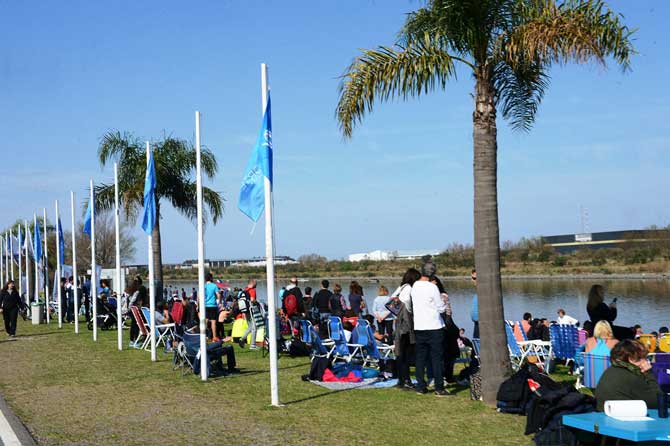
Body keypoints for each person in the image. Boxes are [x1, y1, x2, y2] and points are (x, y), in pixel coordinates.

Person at [412, 262, 450, 397]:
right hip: (434, 326)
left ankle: (421, 386)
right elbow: (440, 308)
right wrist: (444, 301)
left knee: (421, 357)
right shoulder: (432, 287)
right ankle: (439, 387)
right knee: (437, 358)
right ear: (432, 274)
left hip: (419, 326)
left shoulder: (415, 286)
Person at [595, 339, 661, 411]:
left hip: (604, 415)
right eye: (644, 357)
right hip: (625, 418)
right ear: (632, 359)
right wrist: (649, 373)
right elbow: (658, 401)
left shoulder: (610, 370)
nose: (647, 361)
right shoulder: (632, 377)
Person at [393, 267, 421, 390]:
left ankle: (401, 379)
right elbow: (408, 305)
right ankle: (406, 380)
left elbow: (393, 299)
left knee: (400, 353)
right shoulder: (409, 289)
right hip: (406, 326)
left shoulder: (401, 287)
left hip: (399, 324)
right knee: (406, 354)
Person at [238, 279, 259, 349]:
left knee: (250, 326)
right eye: (256, 283)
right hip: (251, 310)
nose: (257, 284)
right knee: (254, 328)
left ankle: (242, 339)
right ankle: (252, 345)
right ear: (253, 283)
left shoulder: (245, 290)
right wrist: (257, 302)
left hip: (245, 310)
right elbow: (252, 300)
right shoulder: (252, 290)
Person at [203, 273, 220, 341]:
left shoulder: (204, 286)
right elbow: (218, 295)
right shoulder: (214, 286)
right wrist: (219, 302)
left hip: (206, 305)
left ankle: (204, 336)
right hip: (213, 305)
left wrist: (198, 305)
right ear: (211, 278)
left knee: (205, 322)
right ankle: (214, 337)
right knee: (213, 322)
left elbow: (199, 296)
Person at [470, 269, 479, 339]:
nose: (472, 280)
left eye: (474, 278)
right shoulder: (477, 292)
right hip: (477, 324)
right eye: (472, 278)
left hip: (482, 325)